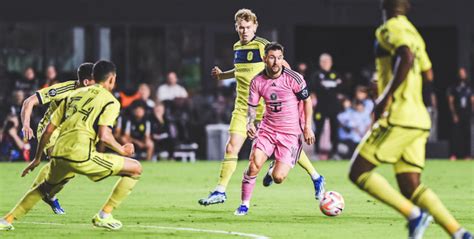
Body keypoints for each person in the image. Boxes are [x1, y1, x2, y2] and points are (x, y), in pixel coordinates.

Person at [348, 1, 472, 238]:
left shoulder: (389, 28)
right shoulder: (414, 32)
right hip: (419, 118)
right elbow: (428, 73)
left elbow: (405, 55)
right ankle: (459, 233)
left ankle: (414, 215)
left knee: (358, 172)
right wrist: (391, 86)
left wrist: (386, 96)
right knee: (410, 185)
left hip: (399, 117)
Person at [199, 8, 325, 206]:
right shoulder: (237, 47)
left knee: (286, 145)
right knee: (232, 146)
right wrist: (223, 75)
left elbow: (284, 68)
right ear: (236, 27)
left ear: (255, 26)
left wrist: (293, 95)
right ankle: (220, 191)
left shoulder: (263, 46)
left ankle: (315, 176)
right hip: (243, 107)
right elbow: (241, 71)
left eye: (248, 27)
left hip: (268, 108)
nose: (244, 31)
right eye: (241, 27)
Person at [0, 60, 142, 231]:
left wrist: (37, 158)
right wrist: (123, 150)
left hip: (60, 149)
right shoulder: (110, 101)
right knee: (135, 169)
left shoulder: (72, 96)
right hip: (79, 153)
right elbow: (105, 135)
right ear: (111, 79)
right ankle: (104, 215)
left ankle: (7, 220)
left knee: (45, 186)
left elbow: (47, 131)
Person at [234, 43, 315, 215]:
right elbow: (252, 107)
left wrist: (307, 127)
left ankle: (272, 171)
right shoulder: (257, 81)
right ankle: (244, 204)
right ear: (264, 59)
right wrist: (250, 123)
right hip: (267, 130)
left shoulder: (294, 78)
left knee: (279, 178)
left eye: (279, 58)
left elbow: (307, 101)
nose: (276, 62)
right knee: (254, 164)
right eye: (272, 57)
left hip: (290, 133)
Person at [18, 62, 96, 215]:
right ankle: (33, 196)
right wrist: (26, 125)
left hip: (68, 134)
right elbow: (29, 101)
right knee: (61, 160)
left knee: (70, 171)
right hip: (49, 130)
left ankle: (50, 195)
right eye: (96, 80)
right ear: (86, 82)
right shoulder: (65, 88)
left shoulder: (94, 95)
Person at [309, 53, 342, 158]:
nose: (325, 63)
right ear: (320, 63)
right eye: (323, 61)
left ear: (331, 63)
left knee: (335, 129)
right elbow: (313, 88)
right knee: (318, 129)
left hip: (333, 106)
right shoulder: (316, 75)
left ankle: (335, 152)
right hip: (320, 106)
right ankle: (316, 152)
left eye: (327, 61)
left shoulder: (335, 74)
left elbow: (341, 87)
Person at [447, 67, 473, 160]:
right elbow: (450, 101)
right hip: (457, 113)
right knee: (455, 134)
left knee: (467, 134)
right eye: (460, 73)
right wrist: (454, 114)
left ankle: (467, 155)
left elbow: (472, 100)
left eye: (463, 73)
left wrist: (472, 113)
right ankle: (454, 154)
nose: (461, 75)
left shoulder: (469, 86)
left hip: (467, 113)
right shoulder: (454, 87)